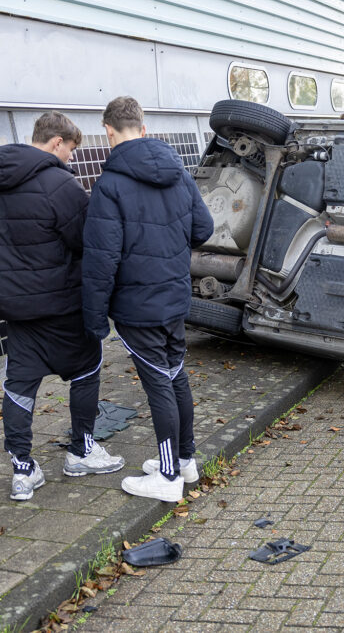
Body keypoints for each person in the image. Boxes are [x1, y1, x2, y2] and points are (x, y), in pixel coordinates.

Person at [0, 112, 124, 501]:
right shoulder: (59, 184)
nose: (71, 159)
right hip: (65, 308)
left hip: (18, 314)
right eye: (71, 151)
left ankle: (23, 470)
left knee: (19, 388)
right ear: (56, 143)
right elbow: (87, 243)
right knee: (86, 373)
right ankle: (81, 451)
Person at [82, 96, 214, 503]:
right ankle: (185, 460)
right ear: (143, 127)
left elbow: (101, 260)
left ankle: (169, 476)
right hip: (174, 297)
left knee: (159, 384)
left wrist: (94, 318)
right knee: (176, 376)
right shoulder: (179, 172)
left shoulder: (109, 184)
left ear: (108, 132)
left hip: (137, 308)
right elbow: (204, 228)